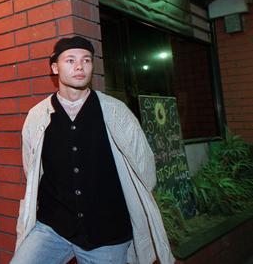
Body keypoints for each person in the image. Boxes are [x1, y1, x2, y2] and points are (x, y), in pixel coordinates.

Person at [11, 36, 174, 264]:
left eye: (86, 60)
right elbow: (33, 171)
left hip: (107, 233)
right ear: (55, 67)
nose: (79, 66)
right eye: (70, 60)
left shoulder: (116, 113)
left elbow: (145, 169)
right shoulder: (38, 116)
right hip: (54, 227)